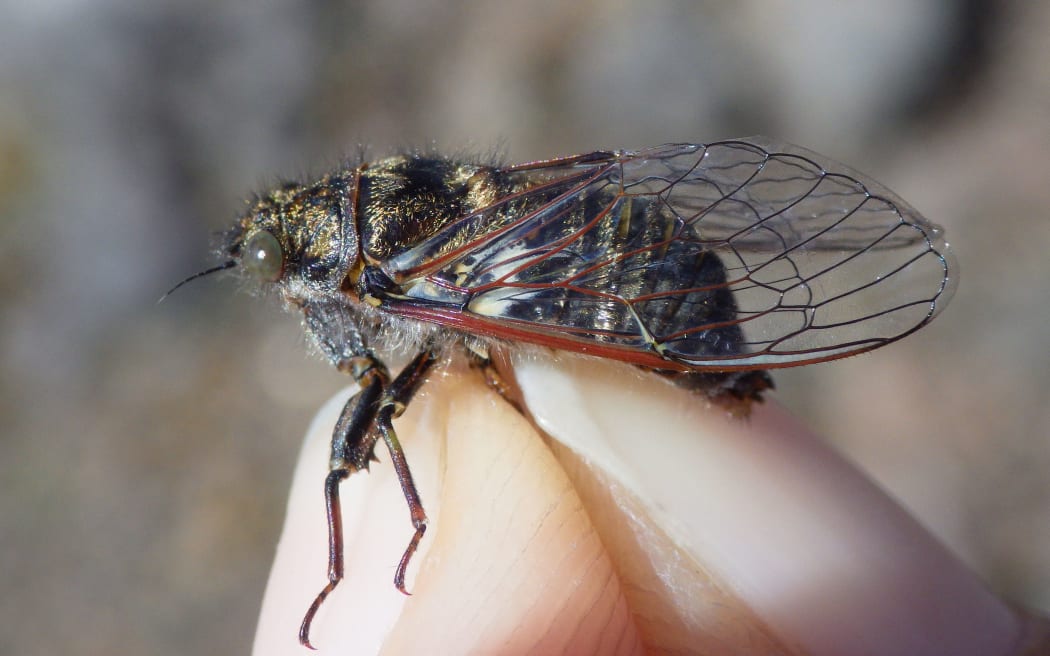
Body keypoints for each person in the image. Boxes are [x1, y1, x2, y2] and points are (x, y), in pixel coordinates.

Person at [254, 355, 1047, 655]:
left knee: (340, 472)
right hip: (515, 266)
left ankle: (400, 535)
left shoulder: (386, 287)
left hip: (553, 283)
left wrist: (420, 527)